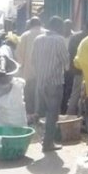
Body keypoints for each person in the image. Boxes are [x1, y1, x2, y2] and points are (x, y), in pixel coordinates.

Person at [31, 16, 70, 152]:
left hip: (41, 84)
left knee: (45, 113)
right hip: (54, 83)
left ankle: (45, 139)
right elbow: (66, 63)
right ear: (59, 28)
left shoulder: (38, 40)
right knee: (52, 114)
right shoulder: (59, 40)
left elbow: (33, 61)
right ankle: (48, 143)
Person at [16, 17, 45, 117]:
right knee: (42, 96)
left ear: (30, 25)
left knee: (29, 97)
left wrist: (21, 68)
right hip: (45, 72)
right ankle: (40, 116)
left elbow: (19, 56)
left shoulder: (25, 35)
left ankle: (30, 116)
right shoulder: (46, 33)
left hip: (28, 72)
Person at [65, 19, 88, 116]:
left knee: (75, 95)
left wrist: (71, 68)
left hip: (77, 70)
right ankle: (83, 118)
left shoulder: (75, 37)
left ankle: (69, 117)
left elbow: (69, 53)